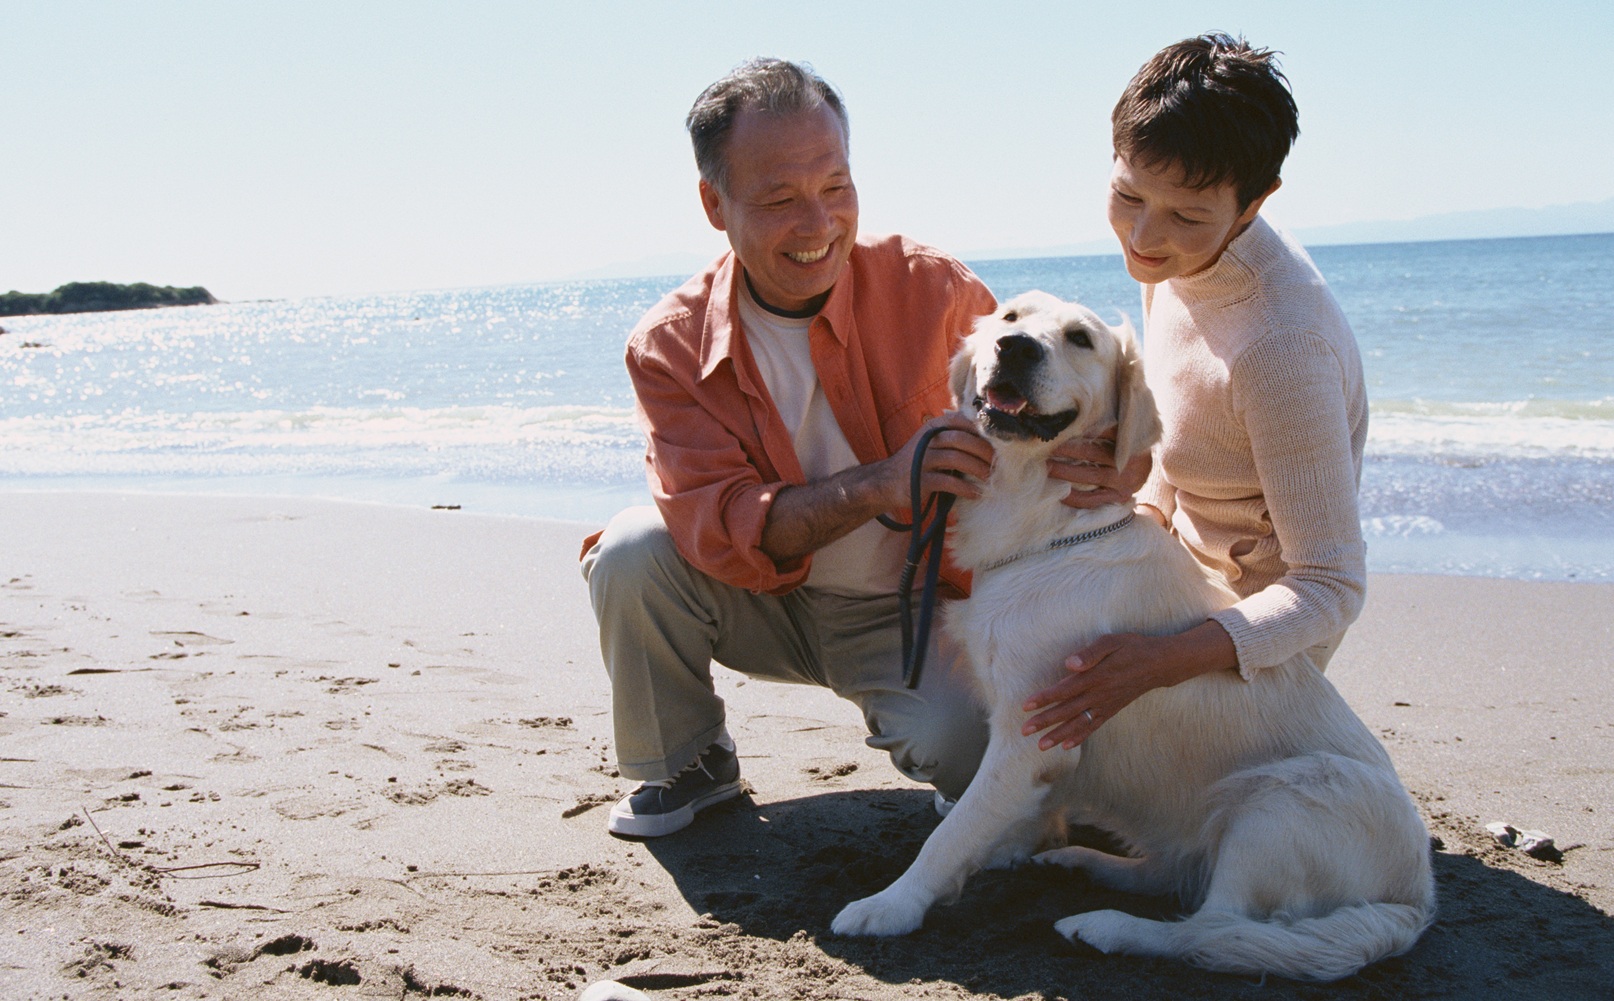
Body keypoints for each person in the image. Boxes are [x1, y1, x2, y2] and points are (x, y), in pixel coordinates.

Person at [581, 58, 1057, 839]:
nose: (819, 224)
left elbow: (1045, 449)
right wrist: (880, 486)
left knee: (974, 758)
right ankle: (691, 759)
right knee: (633, 551)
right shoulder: (666, 346)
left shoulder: (934, 290)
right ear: (714, 202)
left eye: (836, 187)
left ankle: (949, 746)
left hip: (913, 611)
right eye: (778, 199)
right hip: (759, 595)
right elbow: (723, 525)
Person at [1022, 33, 1370, 749]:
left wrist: (1154, 662)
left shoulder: (1280, 344)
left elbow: (1331, 587)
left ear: (1254, 203)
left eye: (1186, 215)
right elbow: (1180, 457)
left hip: (1250, 644)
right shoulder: (1169, 262)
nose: (1145, 237)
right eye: (1127, 195)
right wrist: (1132, 500)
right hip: (1171, 580)